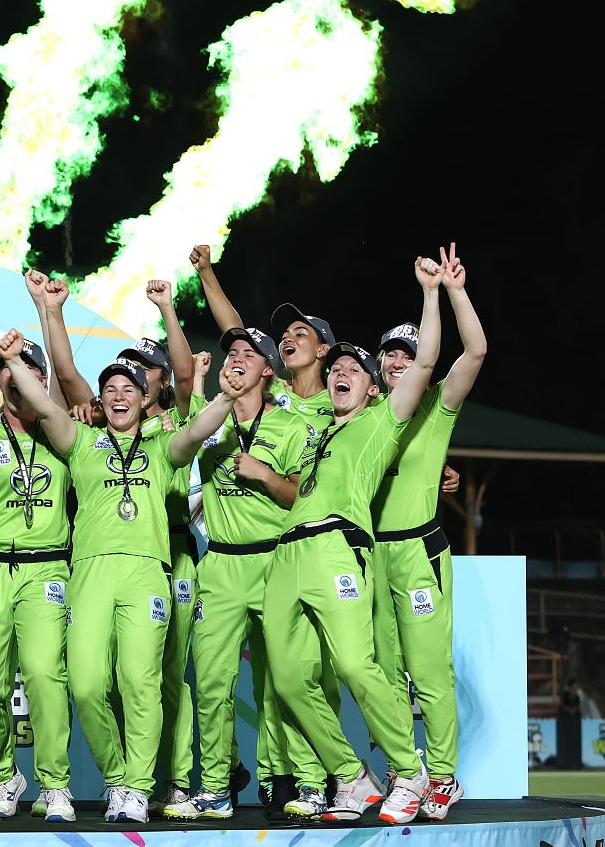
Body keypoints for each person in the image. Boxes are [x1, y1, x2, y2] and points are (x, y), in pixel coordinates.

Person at [0, 329, 246, 823]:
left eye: (128, 388)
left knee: (140, 681)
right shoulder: (83, 443)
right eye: (109, 388)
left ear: (143, 397)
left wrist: (226, 397)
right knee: (88, 684)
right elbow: (46, 409)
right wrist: (13, 360)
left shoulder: (159, 447)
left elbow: (196, 432)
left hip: (146, 574)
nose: (118, 396)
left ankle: (137, 787)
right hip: (89, 573)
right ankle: (117, 776)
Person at [261, 255, 444, 826]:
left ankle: (409, 772)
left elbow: (429, 360)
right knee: (288, 678)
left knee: (357, 667)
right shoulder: (315, 430)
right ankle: (350, 776)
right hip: (286, 553)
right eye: (335, 368)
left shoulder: (380, 422)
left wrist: (431, 294)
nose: (340, 374)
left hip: (338, 548)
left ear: (371, 390)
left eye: (355, 370)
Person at [163, 326, 309, 821]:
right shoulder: (212, 424)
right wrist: (215, 397)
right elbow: (181, 441)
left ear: (268, 370)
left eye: (250, 353)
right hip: (220, 563)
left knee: (281, 680)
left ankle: (294, 780)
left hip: (276, 561)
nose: (238, 359)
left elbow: (301, 497)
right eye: (232, 354)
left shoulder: (290, 427)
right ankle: (217, 787)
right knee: (211, 682)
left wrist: (266, 476)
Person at [371, 242, 486, 822]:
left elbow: (477, 350)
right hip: (368, 559)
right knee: (385, 674)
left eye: (407, 355)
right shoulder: (364, 418)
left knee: (429, 673)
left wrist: (449, 292)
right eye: (388, 356)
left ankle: (443, 777)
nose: (396, 363)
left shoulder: (438, 406)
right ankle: (403, 773)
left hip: (418, 551)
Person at [0, 335, 77, 822]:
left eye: (26, 368)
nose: (15, 376)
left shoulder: (64, 432)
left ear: (40, 380)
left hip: (46, 567)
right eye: (7, 369)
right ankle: (4, 777)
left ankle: (56, 785)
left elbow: (72, 382)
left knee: (47, 676)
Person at [556, 680, 584, 769]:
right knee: (565, 743)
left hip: (575, 721)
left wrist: (574, 710)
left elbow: (577, 705)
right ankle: (564, 763)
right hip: (564, 721)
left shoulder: (577, 696)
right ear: (571, 685)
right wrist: (569, 710)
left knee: (575, 742)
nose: (576, 687)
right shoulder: (565, 695)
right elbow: (562, 705)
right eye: (575, 685)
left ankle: (576, 762)